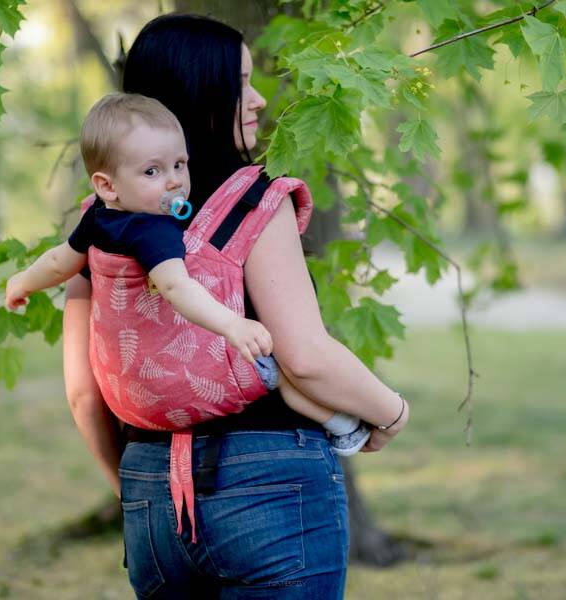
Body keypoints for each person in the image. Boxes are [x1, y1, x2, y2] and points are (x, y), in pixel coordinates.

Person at [61, 13, 410, 599]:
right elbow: (304, 356)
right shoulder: (255, 199)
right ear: (203, 91)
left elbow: (82, 390)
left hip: (151, 487)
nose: (258, 98)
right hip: (270, 484)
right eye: (240, 83)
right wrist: (391, 413)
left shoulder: (102, 218)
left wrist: (133, 489)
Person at [5, 92, 373, 456]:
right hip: (192, 377)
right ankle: (344, 427)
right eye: (153, 171)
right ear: (106, 185)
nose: (173, 182)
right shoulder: (154, 232)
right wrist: (233, 324)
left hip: (135, 399)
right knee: (278, 369)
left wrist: (22, 282)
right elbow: (177, 287)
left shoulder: (97, 218)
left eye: (179, 164)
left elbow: (58, 262)